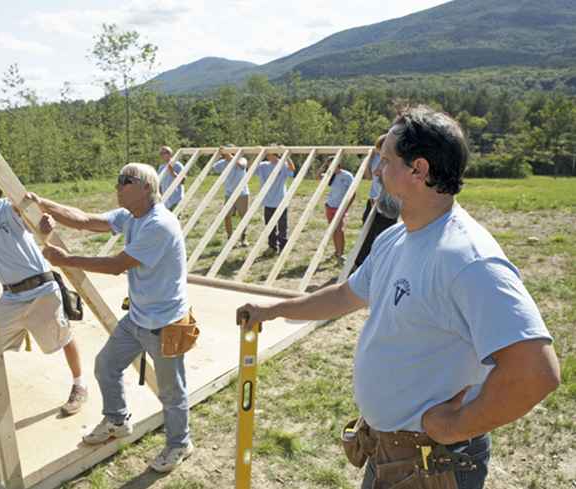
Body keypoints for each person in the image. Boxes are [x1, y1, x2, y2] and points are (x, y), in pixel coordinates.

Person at [236, 106, 560, 489]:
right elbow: (344, 295)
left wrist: (456, 426)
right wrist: (272, 310)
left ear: (418, 170)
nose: (376, 171)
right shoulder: (396, 238)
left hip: (431, 462)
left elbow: (536, 372)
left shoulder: (467, 259)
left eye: (386, 161)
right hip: (390, 451)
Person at [29, 162, 194, 473]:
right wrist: (42, 203)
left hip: (167, 322)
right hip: (139, 317)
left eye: (125, 181)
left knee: (172, 391)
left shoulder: (159, 224)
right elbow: (86, 220)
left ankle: (179, 443)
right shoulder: (130, 217)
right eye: (119, 179)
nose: (118, 186)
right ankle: (117, 420)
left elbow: (118, 264)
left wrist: (66, 260)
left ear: (146, 188)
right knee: (106, 365)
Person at [0, 170, 88, 442]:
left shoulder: (8, 208)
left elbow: (35, 220)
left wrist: (44, 224)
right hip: (12, 297)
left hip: (41, 289)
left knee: (63, 338)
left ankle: (79, 384)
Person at [353, 134, 399, 268]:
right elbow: (369, 177)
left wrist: (381, 199)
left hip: (387, 201)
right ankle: (360, 263)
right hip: (373, 200)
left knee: (385, 234)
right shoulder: (374, 158)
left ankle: (382, 264)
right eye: (377, 150)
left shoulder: (394, 160)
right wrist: (369, 160)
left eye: (380, 150)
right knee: (366, 232)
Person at [256, 146, 295, 254]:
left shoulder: (283, 164)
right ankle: (272, 247)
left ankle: (283, 247)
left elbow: (292, 169)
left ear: (274, 154)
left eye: (268, 153)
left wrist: (285, 154)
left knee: (282, 226)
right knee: (269, 226)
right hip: (268, 201)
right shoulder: (263, 165)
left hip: (280, 200)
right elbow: (251, 168)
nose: (267, 156)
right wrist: (259, 154)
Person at [212, 145, 250, 246]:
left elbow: (242, 166)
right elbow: (213, 168)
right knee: (227, 216)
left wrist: (229, 155)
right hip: (229, 193)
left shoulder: (242, 159)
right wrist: (218, 155)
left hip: (242, 193)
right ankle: (230, 237)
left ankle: (243, 238)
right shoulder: (223, 163)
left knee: (243, 216)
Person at [321, 157, 355, 265]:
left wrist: (346, 208)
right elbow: (317, 176)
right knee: (333, 230)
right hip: (330, 206)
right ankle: (337, 251)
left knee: (339, 231)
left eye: (332, 164)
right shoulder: (330, 175)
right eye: (329, 165)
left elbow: (353, 193)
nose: (330, 166)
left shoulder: (347, 175)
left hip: (340, 207)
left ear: (338, 164)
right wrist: (324, 165)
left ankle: (340, 254)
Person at [157, 146, 185, 212]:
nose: (163, 155)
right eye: (161, 153)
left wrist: (172, 172)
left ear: (170, 154)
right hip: (165, 200)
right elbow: (160, 184)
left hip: (176, 198)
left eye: (165, 152)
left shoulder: (177, 165)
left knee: (176, 218)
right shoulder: (161, 167)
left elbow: (183, 181)